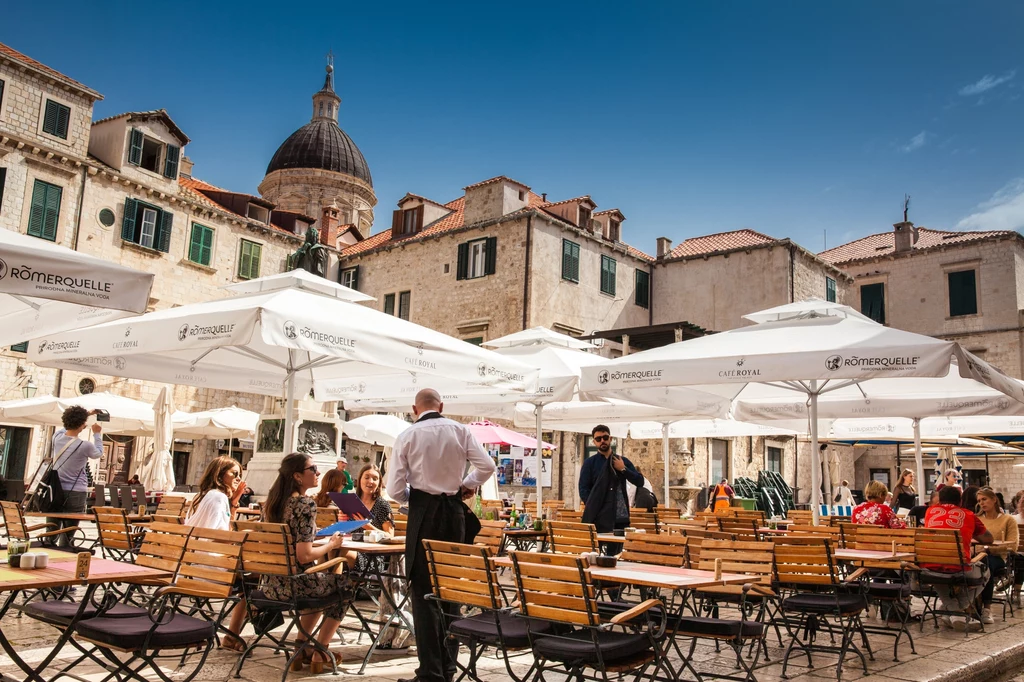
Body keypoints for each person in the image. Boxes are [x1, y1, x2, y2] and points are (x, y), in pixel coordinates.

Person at [387, 388, 495, 682]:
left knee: (423, 595)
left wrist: (416, 498)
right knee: (451, 592)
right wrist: (466, 485)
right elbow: (488, 466)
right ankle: (447, 668)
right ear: (441, 405)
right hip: (454, 514)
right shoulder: (461, 430)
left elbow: (394, 490)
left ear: (414, 408)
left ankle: (430, 672)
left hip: (424, 514)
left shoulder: (408, 435)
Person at [262, 453, 357, 672]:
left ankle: (301, 648)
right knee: (344, 585)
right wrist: (331, 545)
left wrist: (316, 540)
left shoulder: (274, 502)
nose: (318, 473)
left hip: (271, 585)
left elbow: (295, 546)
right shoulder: (304, 504)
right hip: (296, 585)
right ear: (297, 476)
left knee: (321, 587)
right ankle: (320, 650)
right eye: (313, 469)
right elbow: (303, 556)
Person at [184, 456, 248, 650]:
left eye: (240, 474)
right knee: (255, 578)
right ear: (219, 475)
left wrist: (235, 502)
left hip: (190, 564)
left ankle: (234, 633)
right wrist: (243, 538)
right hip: (208, 568)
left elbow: (222, 528)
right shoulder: (218, 498)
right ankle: (234, 634)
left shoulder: (203, 495)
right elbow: (216, 535)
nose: (238, 478)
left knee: (252, 579)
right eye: (233, 473)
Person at [922, 486, 993, 631]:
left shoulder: (930, 511)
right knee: (985, 571)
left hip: (929, 568)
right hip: (959, 569)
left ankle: (951, 610)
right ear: (960, 500)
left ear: (940, 500)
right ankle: (956, 611)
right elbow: (989, 539)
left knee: (938, 572)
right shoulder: (968, 514)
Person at [47, 407, 103, 547]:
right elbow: (99, 453)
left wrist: (86, 415)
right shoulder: (85, 446)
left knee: (51, 528)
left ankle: (48, 553)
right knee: (69, 532)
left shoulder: (56, 438)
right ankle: (64, 556)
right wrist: (97, 434)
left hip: (55, 490)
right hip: (76, 492)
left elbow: (64, 428)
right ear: (82, 425)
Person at [579, 425, 644, 533]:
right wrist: (595, 506)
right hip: (599, 517)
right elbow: (583, 489)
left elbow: (640, 482)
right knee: (597, 549)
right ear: (594, 442)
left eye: (605, 437)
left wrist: (623, 469)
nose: (602, 441)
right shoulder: (589, 463)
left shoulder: (622, 461)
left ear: (610, 439)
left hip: (620, 517)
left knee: (617, 549)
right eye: (598, 439)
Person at [974, 487, 1018, 624]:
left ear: (994, 500)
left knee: (985, 564)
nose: (981, 503)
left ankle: (986, 608)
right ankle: (966, 605)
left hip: (998, 558)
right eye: (979, 500)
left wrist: (989, 548)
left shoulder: (1007, 520)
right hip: (977, 556)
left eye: (984, 499)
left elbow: (1013, 545)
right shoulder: (976, 519)